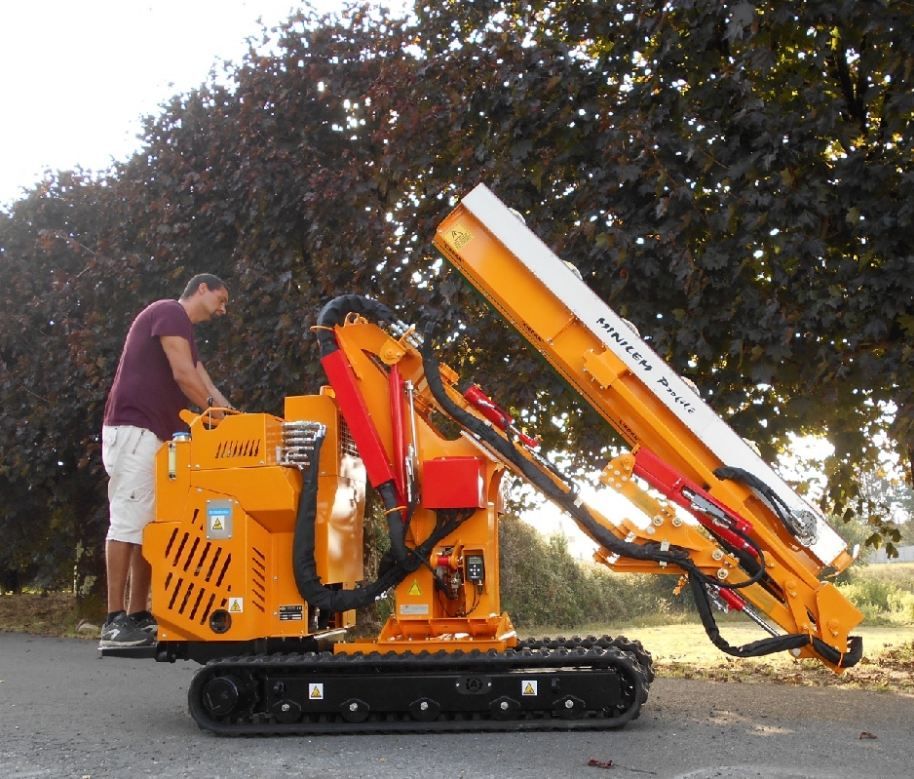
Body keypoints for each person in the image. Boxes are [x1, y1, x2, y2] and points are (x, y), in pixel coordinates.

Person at [99, 273, 231, 648]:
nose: (222, 310)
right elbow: (184, 377)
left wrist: (235, 417)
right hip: (135, 427)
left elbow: (205, 384)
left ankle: (138, 615)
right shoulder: (170, 312)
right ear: (201, 289)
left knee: (150, 526)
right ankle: (113, 620)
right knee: (127, 519)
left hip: (156, 434)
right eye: (220, 300)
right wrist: (215, 415)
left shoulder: (185, 332)